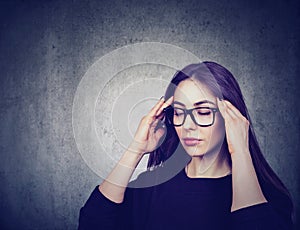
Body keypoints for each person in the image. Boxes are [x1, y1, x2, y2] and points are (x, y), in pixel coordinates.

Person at [78, 62, 294, 229]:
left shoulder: (263, 195)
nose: (188, 125)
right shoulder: (152, 186)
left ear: (231, 116)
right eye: (179, 112)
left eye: (203, 112)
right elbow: (92, 224)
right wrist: (135, 149)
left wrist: (241, 152)